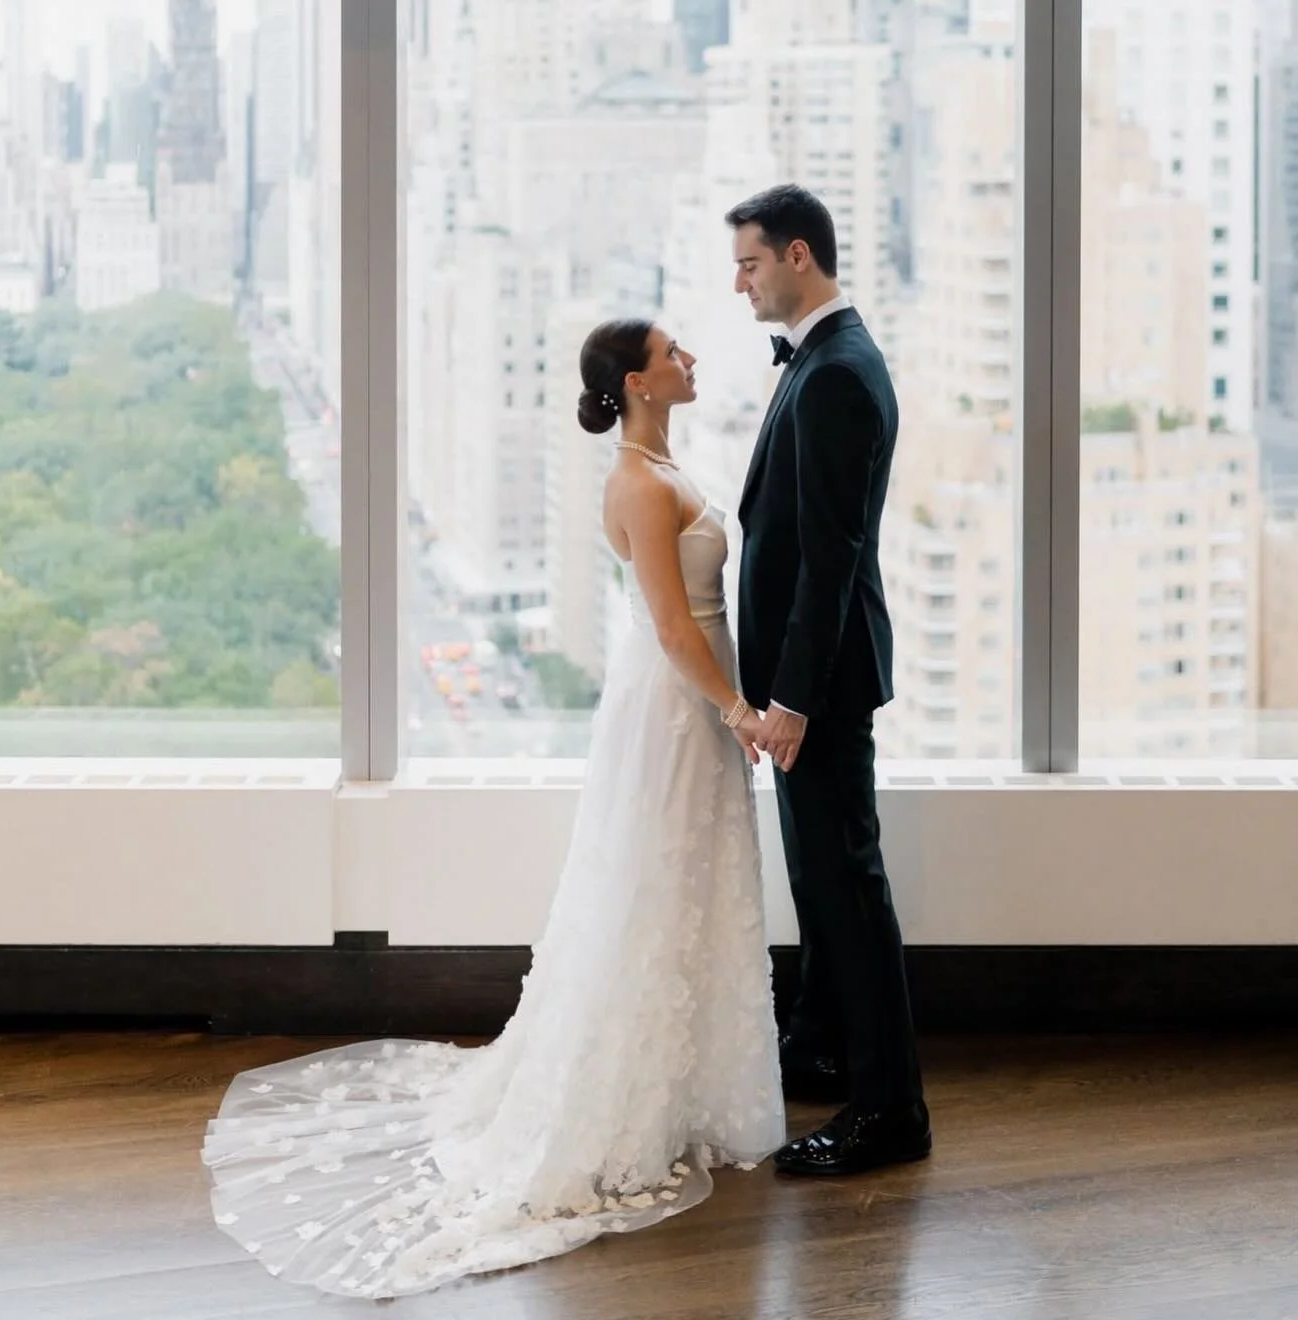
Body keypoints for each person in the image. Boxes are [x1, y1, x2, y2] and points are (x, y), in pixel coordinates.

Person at [201, 319, 785, 1300]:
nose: (691, 360)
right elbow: (673, 628)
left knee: (691, 884)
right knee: (651, 884)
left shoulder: (664, 464)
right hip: (676, 706)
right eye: (674, 354)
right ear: (638, 382)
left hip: (692, 702)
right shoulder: (637, 483)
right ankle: (620, 1098)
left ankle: (685, 1085)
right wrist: (737, 711)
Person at [727, 183, 931, 1176]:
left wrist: (793, 700)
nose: (740, 283)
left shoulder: (841, 373)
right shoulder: (823, 362)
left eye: (750, 263)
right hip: (804, 680)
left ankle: (891, 1110)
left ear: (797, 255)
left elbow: (831, 554)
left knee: (848, 884)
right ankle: (817, 1040)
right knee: (816, 873)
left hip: (826, 684)